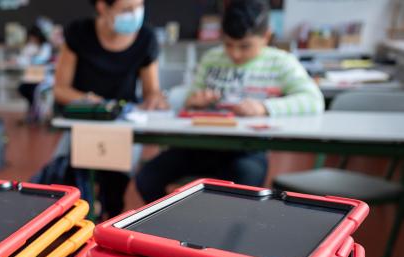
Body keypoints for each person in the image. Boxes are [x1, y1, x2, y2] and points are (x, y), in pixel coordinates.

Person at [135, 0, 324, 203]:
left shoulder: (281, 62)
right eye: (228, 44)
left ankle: (222, 232)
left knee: (243, 190)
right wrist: (193, 101)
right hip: (197, 145)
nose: (235, 53)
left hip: (246, 150)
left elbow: (313, 100)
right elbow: (189, 95)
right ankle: (167, 226)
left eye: (245, 46)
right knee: (147, 178)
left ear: (266, 36)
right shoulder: (212, 58)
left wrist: (265, 107)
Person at [50, 0, 167, 219]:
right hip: (85, 121)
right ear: (103, 7)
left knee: (114, 188)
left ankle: (107, 218)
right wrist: (90, 101)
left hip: (123, 125)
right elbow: (61, 90)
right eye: (126, 9)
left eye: (139, 6)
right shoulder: (79, 33)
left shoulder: (146, 38)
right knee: (65, 181)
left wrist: (155, 99)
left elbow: (153, 91)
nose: (135, 14)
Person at [17, 26, 53, 110]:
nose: (32, 40)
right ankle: (32, 109)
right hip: (31, 76)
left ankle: (34, 110)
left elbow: (43, 60)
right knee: (23, 88)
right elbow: (23, 60)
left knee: (33, 91)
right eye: (30, 38)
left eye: (33, 38)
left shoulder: (45, 47)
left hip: (42, 77)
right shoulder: (29, 46)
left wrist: (34, 55)